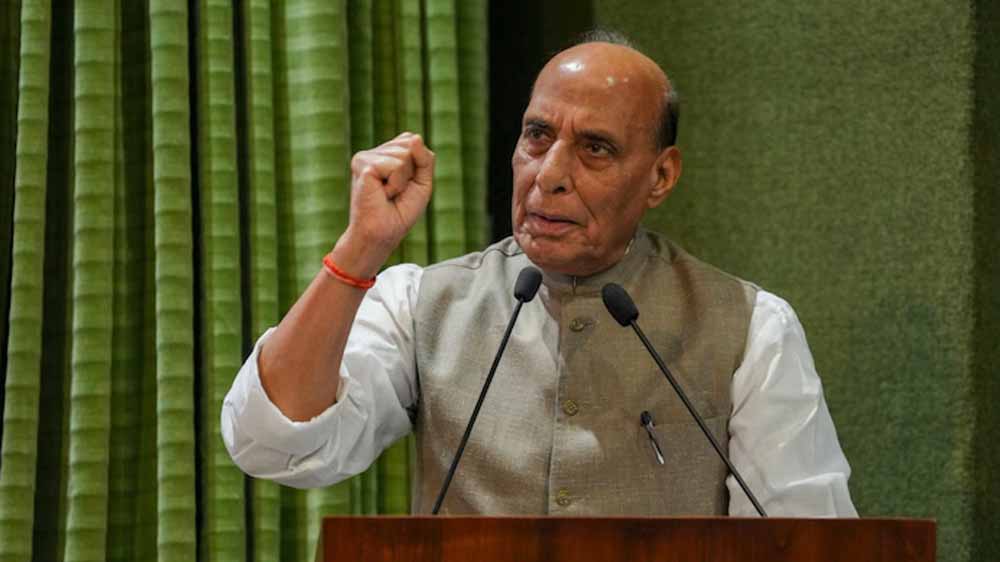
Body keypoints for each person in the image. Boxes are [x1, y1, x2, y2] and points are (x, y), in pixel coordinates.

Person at [221, 34, 858, 517]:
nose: (549, 174)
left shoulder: (751, 328)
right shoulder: (421, 303)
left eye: (595, 148)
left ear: (660, 176)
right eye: (537, 135)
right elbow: (276, 445)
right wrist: (360, 251)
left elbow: (806, 539)